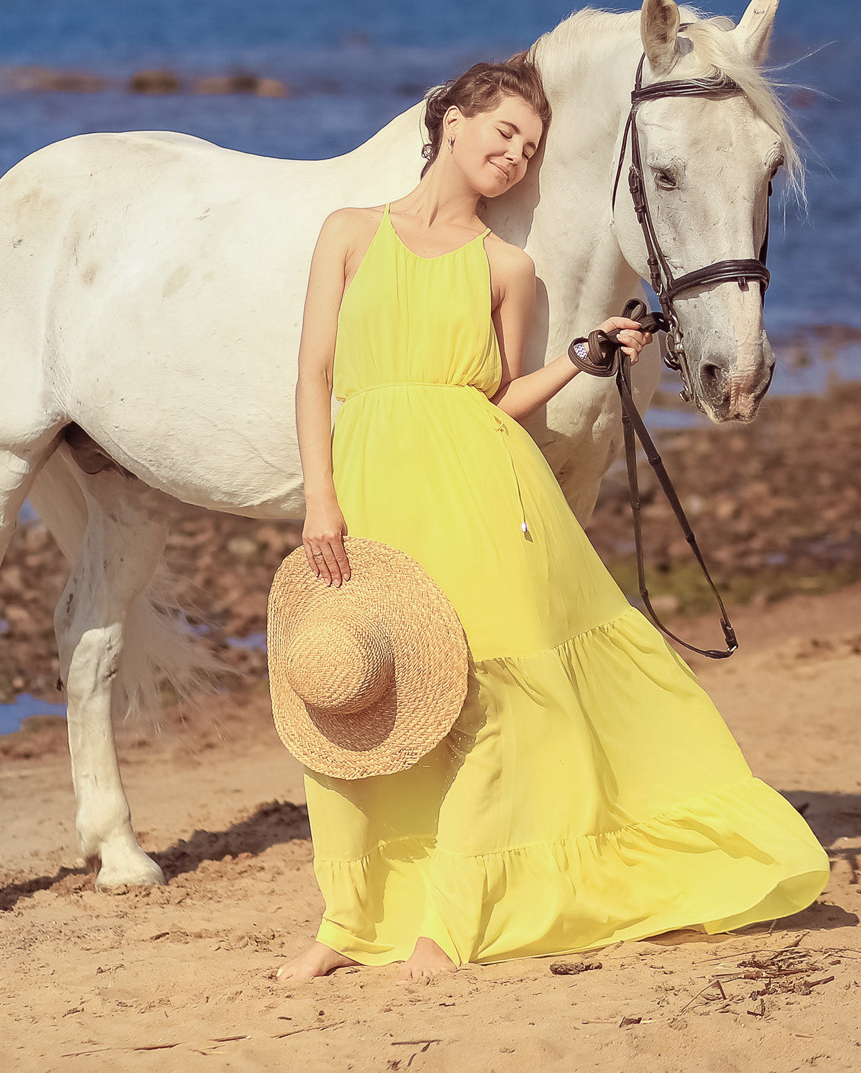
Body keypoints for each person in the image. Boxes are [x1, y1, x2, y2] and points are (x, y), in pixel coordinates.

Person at [275, 54, 831, 983]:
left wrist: (588, 356)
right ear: (452, 120)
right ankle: (348, 920)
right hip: (372, 485)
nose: (515, 156)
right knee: (354, 701)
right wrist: (320, 499)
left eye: (530, 148)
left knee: (492, 699)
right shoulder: (349, 234)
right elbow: (313, 377)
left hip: (485, 489)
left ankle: (447, 924)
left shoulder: (509, 266)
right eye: (503, 133)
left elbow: (499, 403)